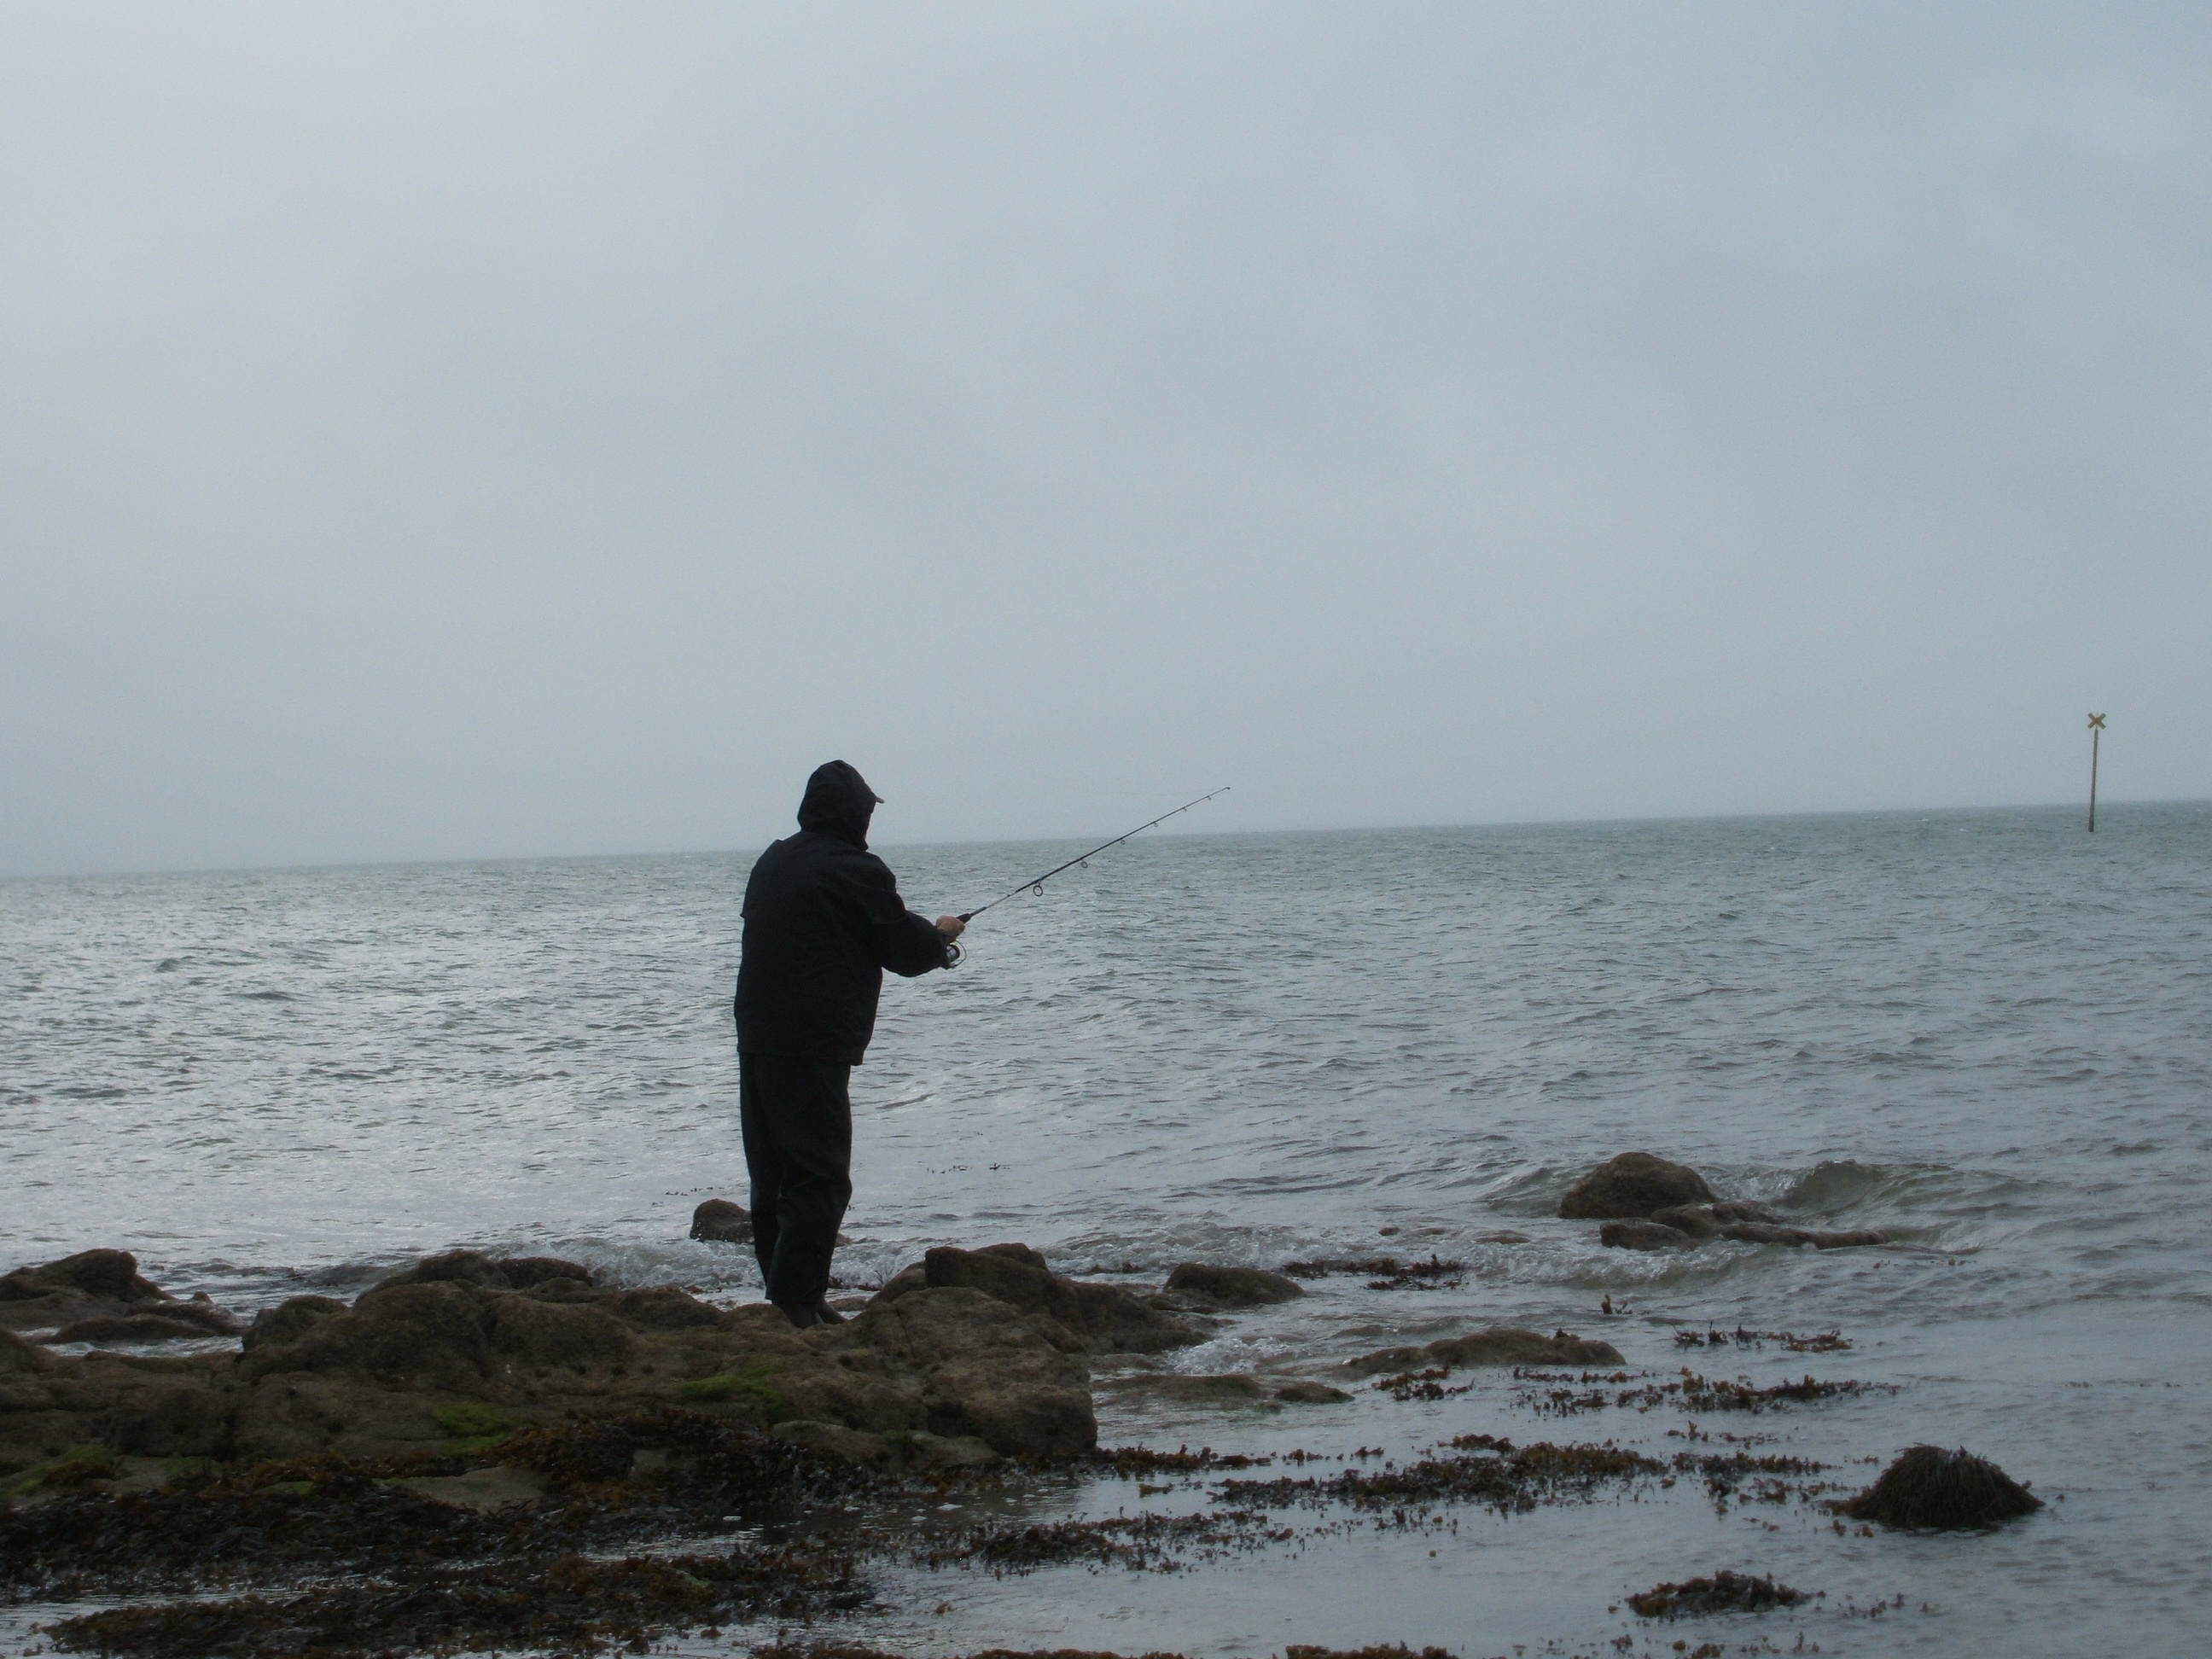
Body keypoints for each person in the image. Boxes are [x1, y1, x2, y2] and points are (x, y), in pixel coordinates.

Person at [732, 760, 964, 1328]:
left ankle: (790, 1299)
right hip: (812, 1044)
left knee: (774, 1178)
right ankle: (795, 1303)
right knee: (820, 1176)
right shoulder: (858, 869)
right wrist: (940, 938)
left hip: (757, 1035)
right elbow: (902, 948)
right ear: (856, 814)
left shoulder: (773, 861)